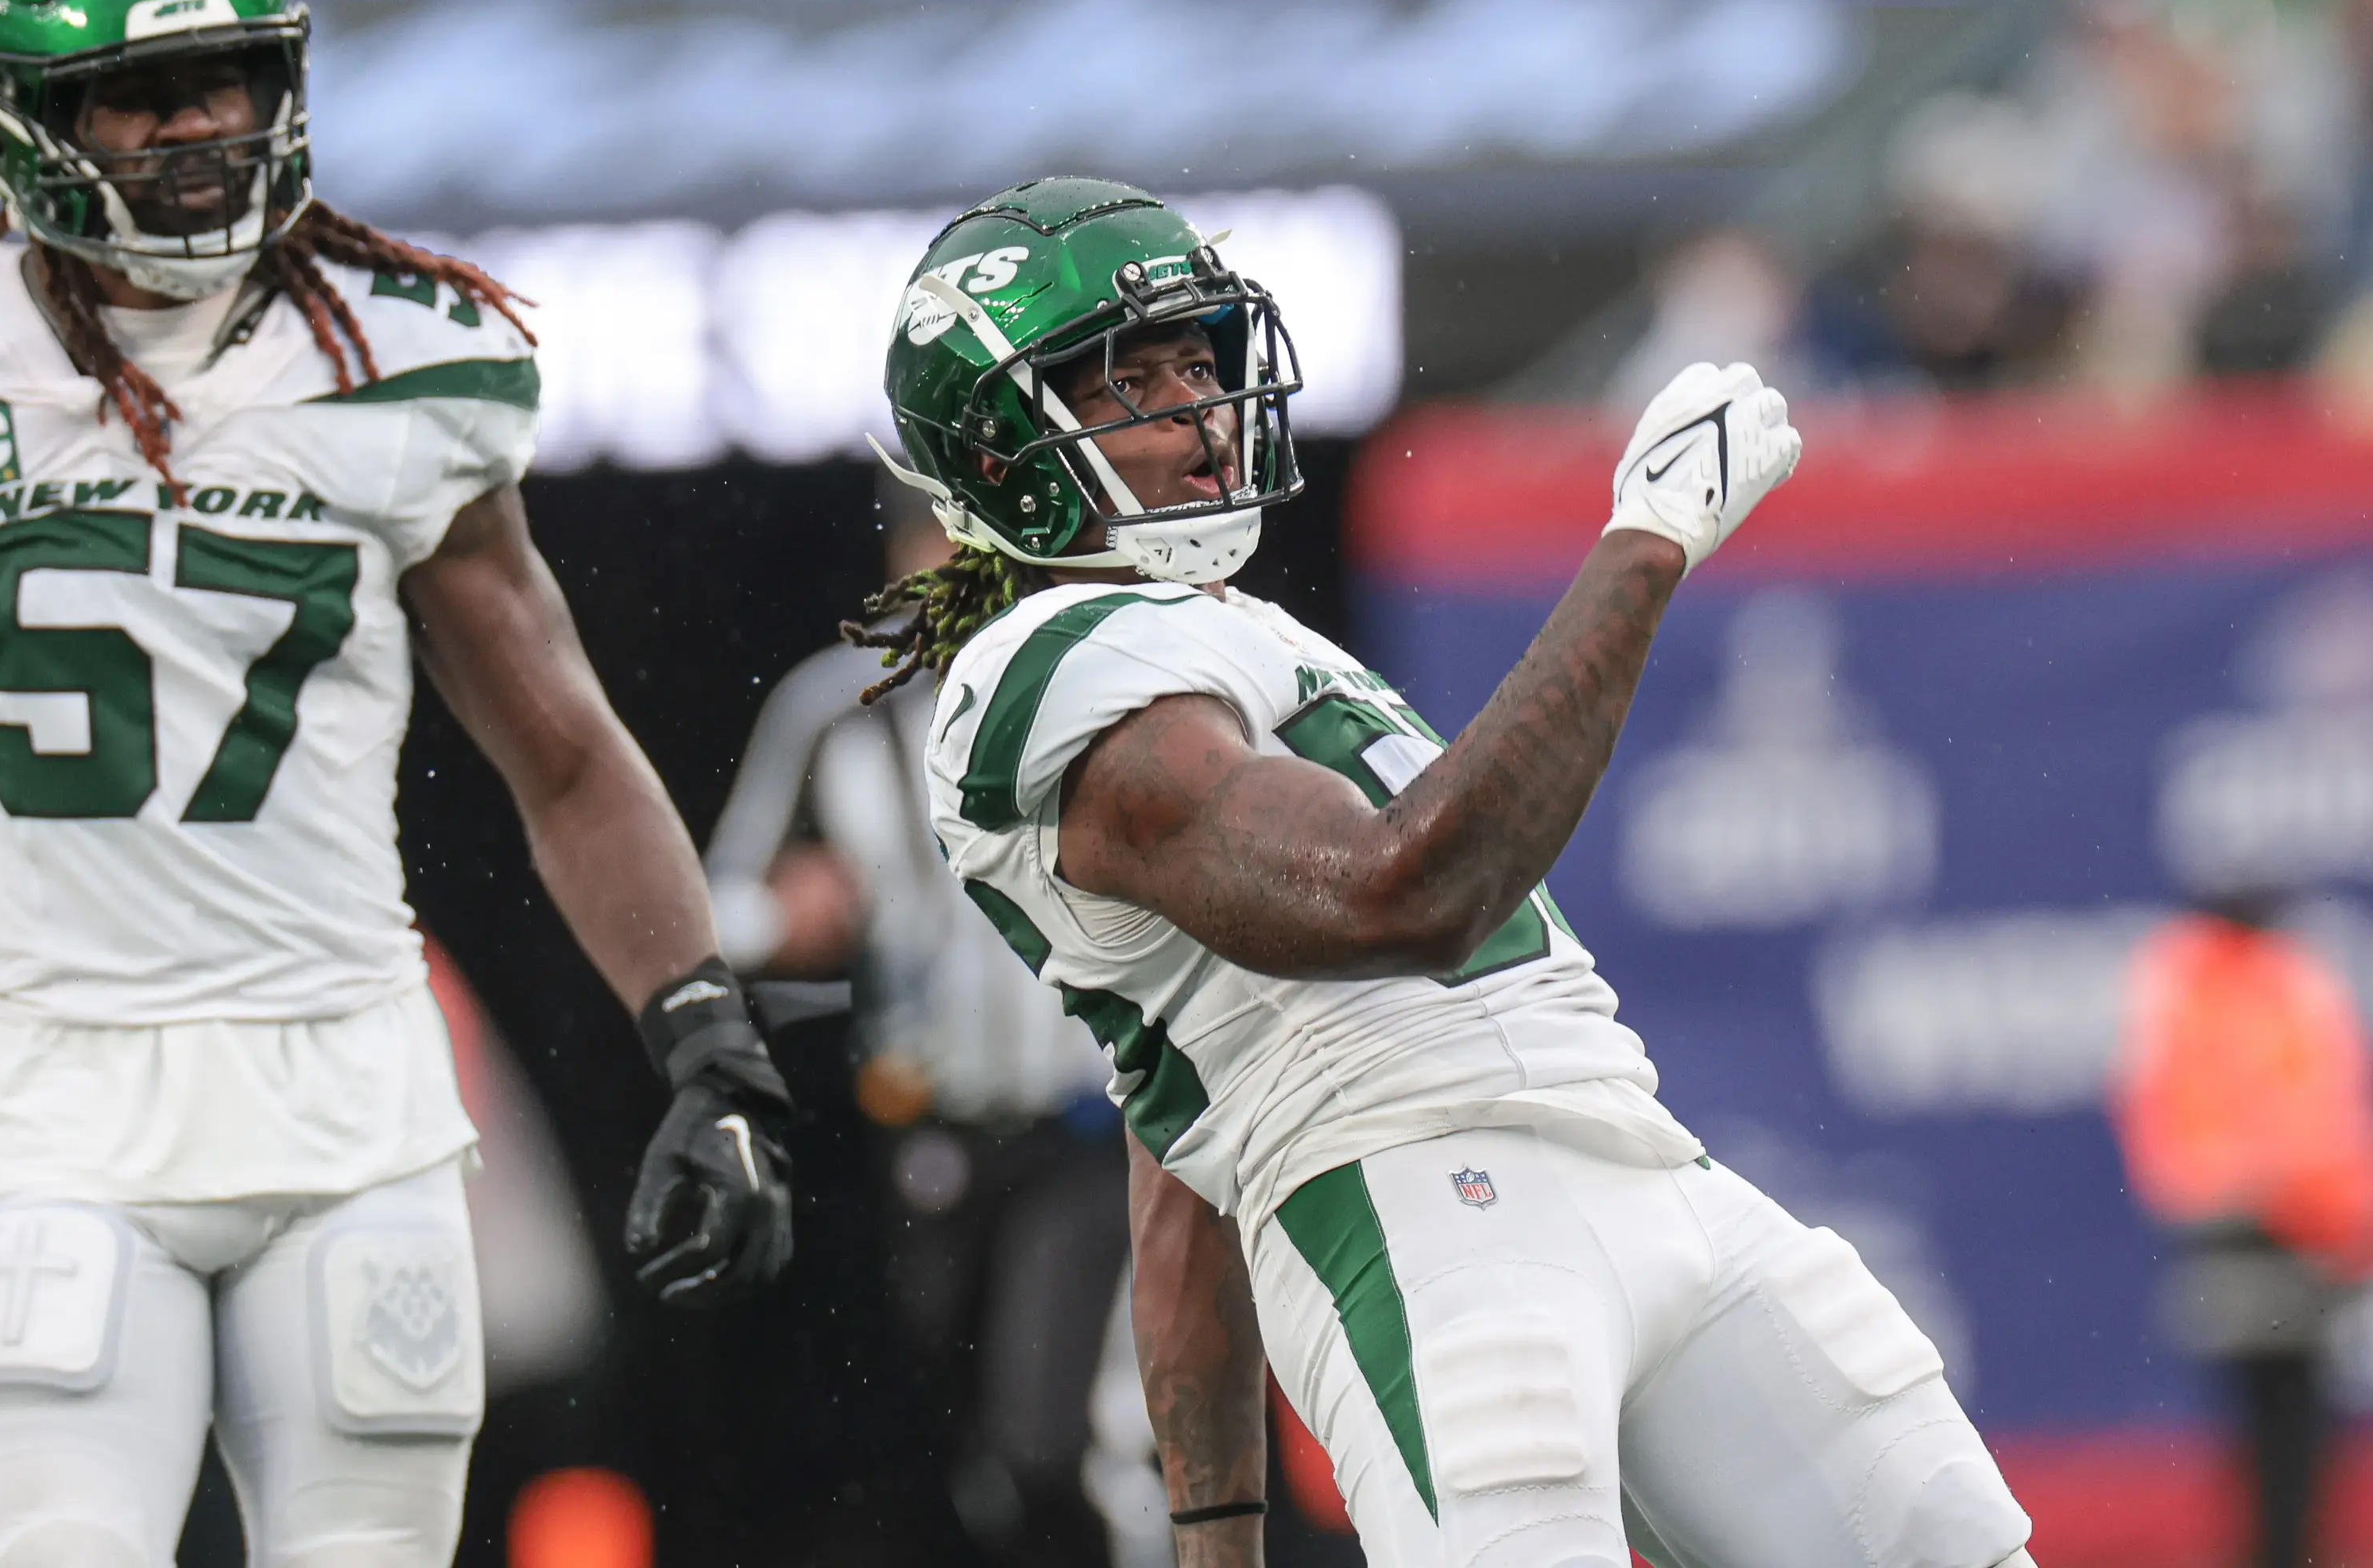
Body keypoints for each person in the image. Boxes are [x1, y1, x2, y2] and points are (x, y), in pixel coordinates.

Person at [0, 0, 796, 1568]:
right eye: (140, 91)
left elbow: (564, 756)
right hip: (63, 1114)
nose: (199, 125)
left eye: (228, 79)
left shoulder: (396, 363)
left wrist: (702, 1038)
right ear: (23, 123)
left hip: (357, 1122)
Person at [857, 176, 2041, 1568]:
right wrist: (1644, 544)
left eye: (1198, 362)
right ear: (999, 450)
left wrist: (1216, 1533)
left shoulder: (1233, 642)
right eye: (1129, 378)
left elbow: (1176, 1153)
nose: (1195, 409)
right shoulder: (1041, 671)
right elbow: (1399, 893)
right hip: (1426, 1211)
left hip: (1639, 1156)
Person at [708, 484, 1151, 1566]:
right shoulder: (835, 710)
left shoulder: (1115, 689)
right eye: (940, 547)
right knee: (958, 1453)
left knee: (1063, 1445)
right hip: (931, 1140)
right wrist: (786, 913)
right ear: (904, 560)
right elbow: (713, 910)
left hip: (1090, 1130)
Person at [2110, 894, 2373, 1568]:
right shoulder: (2277, 985)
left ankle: (2279, 1551)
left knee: (2272, 1414)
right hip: (2284, 1228)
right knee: (2285, 1414)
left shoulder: (2186, 986)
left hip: (2265, 1229)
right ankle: (2283, 1552)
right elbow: (2325, 1117)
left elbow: (2172, 1124)